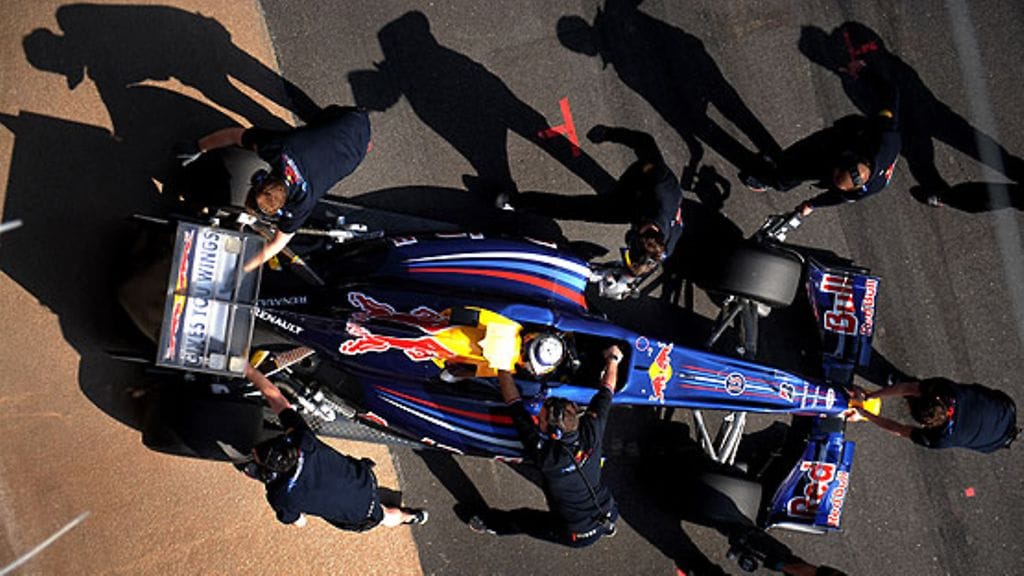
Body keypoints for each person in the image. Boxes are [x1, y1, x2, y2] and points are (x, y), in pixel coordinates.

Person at [181, 105, 371, 272]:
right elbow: (235, 135)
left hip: (353, 137)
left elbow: (277, 245)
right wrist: (198, 147)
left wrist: (199, 148)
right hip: (349, 123)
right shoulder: (279, 150)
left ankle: (357, 140)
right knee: (318, 127)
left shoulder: (283, 159)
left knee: (318, 128)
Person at [466, 345, 622, 547]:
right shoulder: (592, 430)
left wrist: (501, 365)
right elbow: (607, 389)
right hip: (608, 509)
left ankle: (491, 524)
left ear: (553, 433)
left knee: (523, 519)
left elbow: (514, 404)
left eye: (540, 419)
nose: (537, 420)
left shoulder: (548, 458)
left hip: (577, 532)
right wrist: (614, 359)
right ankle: (606, 527)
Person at [242, 364, 428, 530]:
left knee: (384, 516)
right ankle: (412, 516)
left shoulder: (280, 497)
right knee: (379, 511)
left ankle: (409, 517)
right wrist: (246, 368)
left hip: (361, 511)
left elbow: (300, 523)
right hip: (363, 479)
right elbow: (273, 395)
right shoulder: (303, 441)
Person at [504, 125, 683, 279]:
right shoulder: (659, 183)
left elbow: (642, 266)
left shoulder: (663, 250)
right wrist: (609, 134)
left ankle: (521, 204)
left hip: (640, 210)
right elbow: (644, 141)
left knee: (579, 211)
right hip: (638, 185)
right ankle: (517, 201)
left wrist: (628, 277)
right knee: (577, 207)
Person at [740, 61, 900, 216]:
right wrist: (863, 71)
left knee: (797, 172)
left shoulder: (865, 189)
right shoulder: (885, 134)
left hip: (850, 146)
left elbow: (838, 197)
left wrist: (812, 205)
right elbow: (891, 94)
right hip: (853, 135)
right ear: (848, 157)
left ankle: (775, 179)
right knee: (804, 151)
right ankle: (782, 164)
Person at [848, 375, 1018, 453]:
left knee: (916, 383)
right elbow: (900, 429)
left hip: (1004, 412)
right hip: (1000, 416)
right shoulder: (940, 439)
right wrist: (866, 405)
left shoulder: (945, 391)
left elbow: (908, 389)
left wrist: (867, 409)